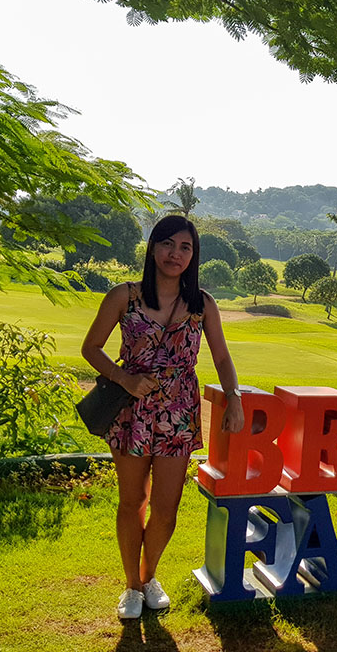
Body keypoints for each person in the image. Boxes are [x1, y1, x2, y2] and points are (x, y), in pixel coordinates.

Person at [81, 215, 244, 619]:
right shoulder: (125, 296)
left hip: (179, 412)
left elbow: (221, 356)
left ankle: (148, 576)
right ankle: (131, 587)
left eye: (185, 247)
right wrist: (125, 377)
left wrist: (234, 397)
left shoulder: (201, 304)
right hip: (131, 411)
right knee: (132, 500)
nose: (176, 254)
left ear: (194, 255)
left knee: (167, 507)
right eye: (168, 244)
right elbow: (92, 348)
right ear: (153, 248)